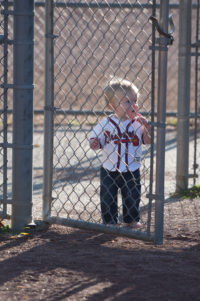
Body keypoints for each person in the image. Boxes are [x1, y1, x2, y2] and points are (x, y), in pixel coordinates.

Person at [89, 78, 151, 229]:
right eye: (127, 102)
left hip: (131, 168)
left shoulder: (138, 123)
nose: (134, 105)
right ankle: (109, 221)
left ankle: (132, 219)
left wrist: (147, 127)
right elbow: (94, 139)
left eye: (135, 100)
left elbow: (148, 140)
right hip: (109, 168)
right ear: (113, 106)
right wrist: (95, 143)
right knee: (107, 195)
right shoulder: (106, 123)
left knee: (132, 194)